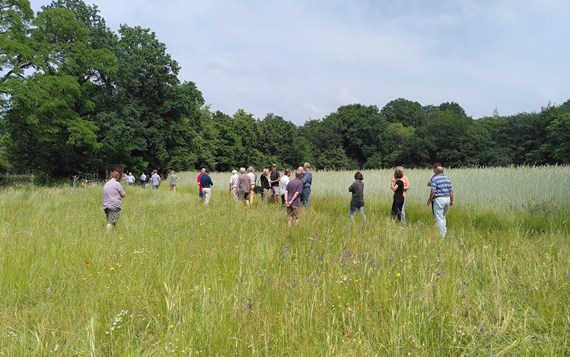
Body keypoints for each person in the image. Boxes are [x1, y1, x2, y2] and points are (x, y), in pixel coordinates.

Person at [427, 165, 454, 238]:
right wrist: (451, 201)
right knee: (443, 216)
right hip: (447, 198)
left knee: (438, 218)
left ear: (436, 171)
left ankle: (440, 235)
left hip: (439, 199)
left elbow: (433, 191)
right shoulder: (447, 178)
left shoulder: (435, 179)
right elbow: (451, 191)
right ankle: (444, 232)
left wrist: (429, 200)